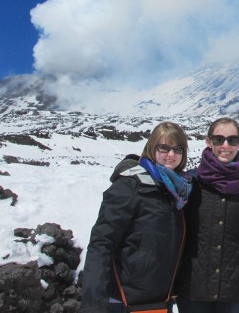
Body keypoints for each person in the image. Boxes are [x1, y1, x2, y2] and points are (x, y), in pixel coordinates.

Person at [80, 122, 193, 313]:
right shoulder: (130, 186)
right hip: (124, 301)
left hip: (159, 301)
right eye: (163, 147)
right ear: (151, 148)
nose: (171, 155)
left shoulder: (176, 191)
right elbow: (101, 244)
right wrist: (93, 304)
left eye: (177, 149)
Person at [176, 117, 239, 313]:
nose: (225, 146)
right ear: (209, 142)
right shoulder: (190, 184)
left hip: (234, 293)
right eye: (218, 140)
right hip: (193, 290)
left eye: (232, 140)